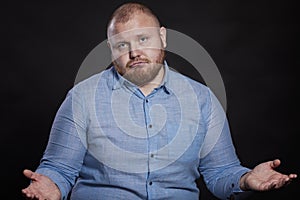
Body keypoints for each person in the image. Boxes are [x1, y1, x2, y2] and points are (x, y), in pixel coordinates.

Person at [22, 2, 297, 200]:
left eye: (143, 39)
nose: (134, 53)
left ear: (162, 37)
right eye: (122, 45)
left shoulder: (202, 99)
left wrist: (246, 179)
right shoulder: (82, 97)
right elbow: (59, 168)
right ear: (111, 50)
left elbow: (219, 172)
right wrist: (51, 187)